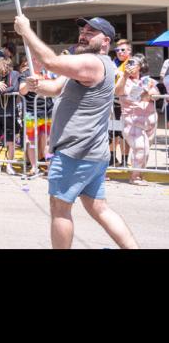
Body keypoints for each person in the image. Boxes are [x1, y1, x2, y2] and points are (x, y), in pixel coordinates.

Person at [14, 15, 139, 249]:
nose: (83, 34)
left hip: (76, 151)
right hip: (91, 152)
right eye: (83, 30)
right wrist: (36, 85)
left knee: (59, 208)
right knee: (98, 207)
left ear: (106, 41)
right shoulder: (87, 63)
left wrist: (26, 31)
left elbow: (51, 62)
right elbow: (54, 88)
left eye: (91, 32)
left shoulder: (94, 62)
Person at [115, 54, 159, 186]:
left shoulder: (147, 80)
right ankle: (134, 177)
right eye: (128, 63)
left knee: (145, 150)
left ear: (140, 66)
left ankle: (139, 174)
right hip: (132, 121)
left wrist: (149, 93)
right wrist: (125, 76)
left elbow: (156, 95)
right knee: (141, 148)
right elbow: (119, 92)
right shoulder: (123, 78)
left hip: (150, 120)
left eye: (133, 63)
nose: (130, 66)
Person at [19, 56, 55, 177]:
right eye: (39, 60)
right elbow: (21, 90)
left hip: (47, 111)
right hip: (31, 112)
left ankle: (49, 165)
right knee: (31, 141)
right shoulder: (26, 73)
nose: (42, 63)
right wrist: (28, 84)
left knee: (47, 141)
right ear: (33, 60)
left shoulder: (46, 73)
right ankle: (34, 167)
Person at [110, 39, 132, 167]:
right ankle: (112, 158)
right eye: (117, 50)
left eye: (123, 50)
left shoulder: (132, 63)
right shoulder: (112, 63)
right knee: (113, 130)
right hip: (113, 102)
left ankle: (124, 159)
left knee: (125, 132)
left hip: (127, 103)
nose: (119, 52)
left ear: (129, 51)